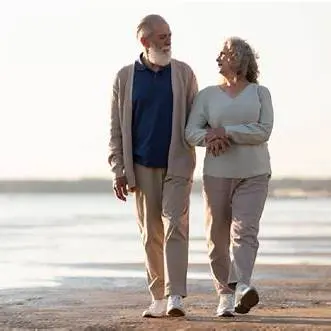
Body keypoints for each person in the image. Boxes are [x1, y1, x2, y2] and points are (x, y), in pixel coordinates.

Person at [108, 14, 198, 317]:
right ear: (145, 41)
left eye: (170, 34)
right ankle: (157, 297)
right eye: (162, 36)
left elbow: (198, 119)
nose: (168, 40)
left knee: (176, 225)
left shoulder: (184, 73)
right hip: (141, 165)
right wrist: (118, 169)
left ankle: (175, 296)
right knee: (151, 233)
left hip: (178, 163)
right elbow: (116, 130)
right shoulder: (124, 77)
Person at [185, 37, 274, 317]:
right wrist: (208, 138)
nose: (218, 57)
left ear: (241, 58)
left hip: (254, 173)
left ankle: (243, 287)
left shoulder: (260, 94)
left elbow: (263, 131)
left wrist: (227, 131)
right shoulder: (208, 95)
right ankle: (224, 294)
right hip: (217, 174)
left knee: (245, 231)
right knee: (217, 236)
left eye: (224, 53)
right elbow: (192, 132)